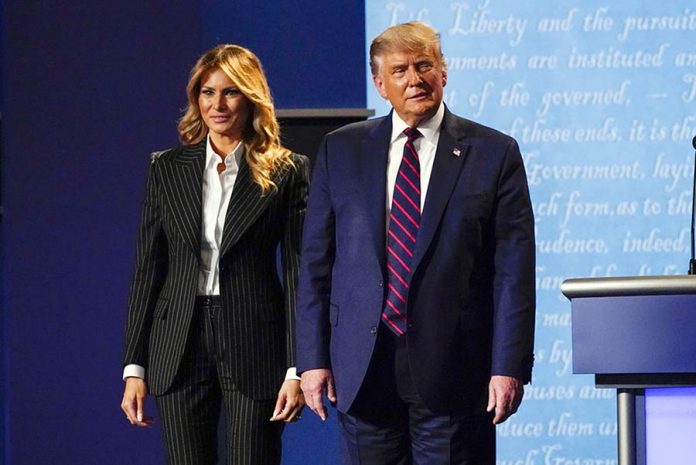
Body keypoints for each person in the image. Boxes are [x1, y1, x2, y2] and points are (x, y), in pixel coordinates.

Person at [296, 21, 535, 464]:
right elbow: (316, 264)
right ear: (380, 84)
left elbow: (513, 273)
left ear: (443, 73)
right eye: (401, 69)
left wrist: (508, 366)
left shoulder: (494, 152)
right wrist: (310, 359)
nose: (415, 78)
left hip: (457, 371)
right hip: (363, 368)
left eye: (425, 65)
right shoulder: (340, 150)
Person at [120, 44, 309, 465]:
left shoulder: (287, 170)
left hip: (255, 339)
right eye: (207, 92)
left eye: (231, 92)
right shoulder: (166, 168)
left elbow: (299, 273)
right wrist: (134, 367)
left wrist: (297, 368)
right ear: (196, 99)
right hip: (178, 341)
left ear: (251, 97)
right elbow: (148, 269)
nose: (217, 104)